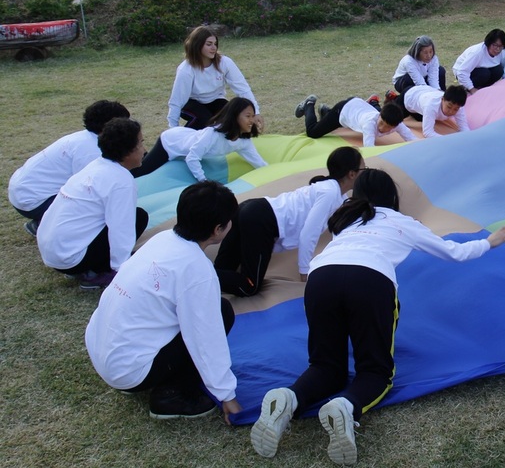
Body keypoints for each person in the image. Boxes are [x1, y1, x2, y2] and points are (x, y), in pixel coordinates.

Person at [250, 169, 505, 462]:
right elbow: (454, 252)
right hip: (370, 281)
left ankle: (289, 398)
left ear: (357, 195)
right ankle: (347, 406)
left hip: (321, 278)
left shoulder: (345, 221)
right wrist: (489, 242)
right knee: (376, 372)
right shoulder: (403, 222)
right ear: (392, 195)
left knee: (326, 366)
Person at [85, 181, 243, 421]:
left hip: (102, 350)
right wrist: (227, 394)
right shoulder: (197, 270)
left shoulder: (161, 240)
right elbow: (205, 337)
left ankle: (141, 375)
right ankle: (171, 396)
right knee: (221, 312)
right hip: (127, 369)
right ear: (218, 229)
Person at [213, 147, 363, 296]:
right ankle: (195, 275)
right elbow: (308, 234)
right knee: (249, 286)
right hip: (259, 219)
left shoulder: (335, 193)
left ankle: (198, 275)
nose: (365, 173)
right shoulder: (329, 193)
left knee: (222, 268)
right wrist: (304, 271)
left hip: (252, 209)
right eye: (363, 169)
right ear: (351, 174)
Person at [36, 118, 149, 289]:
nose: (144, 150)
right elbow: (121, 228)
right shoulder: (121, 181)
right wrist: (123, 271)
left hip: (53, 252)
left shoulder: (94, 166)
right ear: (127, 152)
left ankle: (87, 264)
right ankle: (97, 271)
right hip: (71, 258)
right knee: (138, 217)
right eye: (141, 144)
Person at [9, 100, 130, 236]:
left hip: (24, 193)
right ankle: (46, 225)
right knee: (97, 207)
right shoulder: (92, 150)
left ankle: (44, 221)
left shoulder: (83, 137)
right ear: (108, 127)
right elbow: (91, 189)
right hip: (35, 201)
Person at [133, 97, 266, 181]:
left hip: (188, 139)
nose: (252, 120)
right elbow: (192, 157)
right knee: (140, 172)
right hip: (171, 142)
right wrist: (203, 181)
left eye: (253, 116)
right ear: (235, 116)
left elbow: (258, 162)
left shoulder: (243, 141)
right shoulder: (213, 134)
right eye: (248, 116)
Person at [167, 25, 264, 131]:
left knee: (235, 119)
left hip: (216, 100)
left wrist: (255, 113)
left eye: (215, 44)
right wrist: (173, 129)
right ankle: (185, 140)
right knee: (205, 120)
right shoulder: (186, 69)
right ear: (197, 45)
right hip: (192, 103)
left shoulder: (225, 62)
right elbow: (176, 101)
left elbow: (242, 88)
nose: (214, 48)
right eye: (209, 44)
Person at [294, 95, 416, 146]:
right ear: (380, 116)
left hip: (357, 106)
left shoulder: (398, 124)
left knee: (329, 121)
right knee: (312, 132)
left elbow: (412, 139)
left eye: (388, 127)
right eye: (381, 122)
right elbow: (369, 149)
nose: (382, 128)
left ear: (395, 126)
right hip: (342, 111)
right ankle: (309, 104)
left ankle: (326, 112)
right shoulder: (370, 124)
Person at [394, 84, 470, 139]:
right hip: (409, 96)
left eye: (455, 109)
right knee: (393, 119)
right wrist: (448, 140)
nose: (451, 111)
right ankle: (393, 98)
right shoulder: (431, 106)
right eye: (449, 107)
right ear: (442, 99)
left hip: (425, 94)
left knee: (419, 118)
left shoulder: (458, 105)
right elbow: (427, 133)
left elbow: (464, 127)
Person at [453, 29, 505, 93]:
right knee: (484, 73)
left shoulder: (502, 51)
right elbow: (462, 72)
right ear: (489, 43)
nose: (498, 49)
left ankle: (483, 89)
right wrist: (471, 89)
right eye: (495, 45)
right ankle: (467, 90)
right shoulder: (477, 53)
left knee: (499, 70)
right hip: (463, 72)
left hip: (484, 70)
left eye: (501, 46)